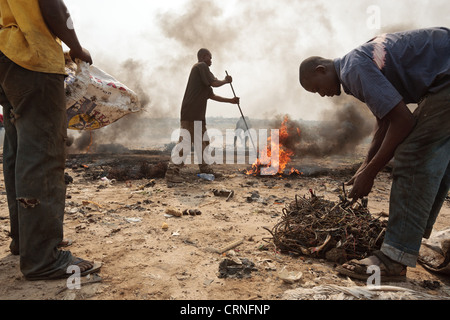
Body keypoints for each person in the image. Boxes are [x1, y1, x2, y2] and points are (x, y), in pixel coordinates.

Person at [299, 27, 450, 282]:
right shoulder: (358, 60)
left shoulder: (352, 69)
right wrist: (364, 165)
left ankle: (395, 257)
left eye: (317, 89)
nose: (323, 95)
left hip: (445, 82)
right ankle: (411, 236)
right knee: (440, 156)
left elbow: (402, 121)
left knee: (413, 154)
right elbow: (385, 118)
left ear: (321, 70)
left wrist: (370, 173)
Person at [0, 0, 101, 280]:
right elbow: (54, 6)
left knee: (19, 149)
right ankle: (43, 258)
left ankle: (26, 240)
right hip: (33, 58)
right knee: (43, 152)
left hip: (7, 56)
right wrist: (76, 47)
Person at [165, 48, 240, 182]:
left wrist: (231, 101)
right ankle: (172, 172)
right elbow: (215, 83)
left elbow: (211, 95)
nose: (211, 61)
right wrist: (225, 81)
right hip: (191, 113)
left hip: (198, 115)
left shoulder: (203, 74)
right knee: (185, 143)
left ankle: (205, 170)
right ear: (204, 57)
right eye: (210, 57)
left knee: (203, 142)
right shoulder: (201, 66)